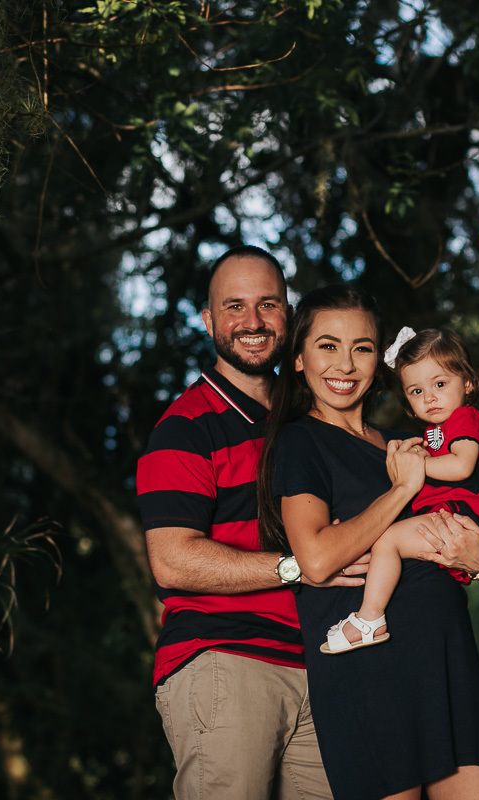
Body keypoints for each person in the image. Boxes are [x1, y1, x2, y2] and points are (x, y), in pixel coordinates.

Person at [257, 286, 479, 800]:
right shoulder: (300, 441)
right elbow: (316, 558)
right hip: (370, 674)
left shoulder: (405, 441)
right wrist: (401, 491)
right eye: (328, 346)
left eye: (363, 347)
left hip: (446, 657)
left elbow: (465, 531)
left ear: (379, 361)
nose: (346, 364)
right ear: (299, 358)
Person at [136, 246, 366, 800]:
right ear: (208, 320)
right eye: (234, 306)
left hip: (324, 667)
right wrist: (299, 566)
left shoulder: (315, 416)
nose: (253, 322)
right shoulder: (186, 427)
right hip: (228, 660)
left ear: (289, 315)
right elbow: (172, 560)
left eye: (268, 304)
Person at [320, 326, 479, 653]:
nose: (429, 397)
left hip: (470, 512)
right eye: (416, 391)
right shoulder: (437, 431)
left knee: (388, 540)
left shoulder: (464, 418)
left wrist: (414, 467)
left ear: (467, 383)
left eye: (440, 384)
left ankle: (369, 619)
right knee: (389, 542)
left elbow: (461, 467)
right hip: (460, 514)